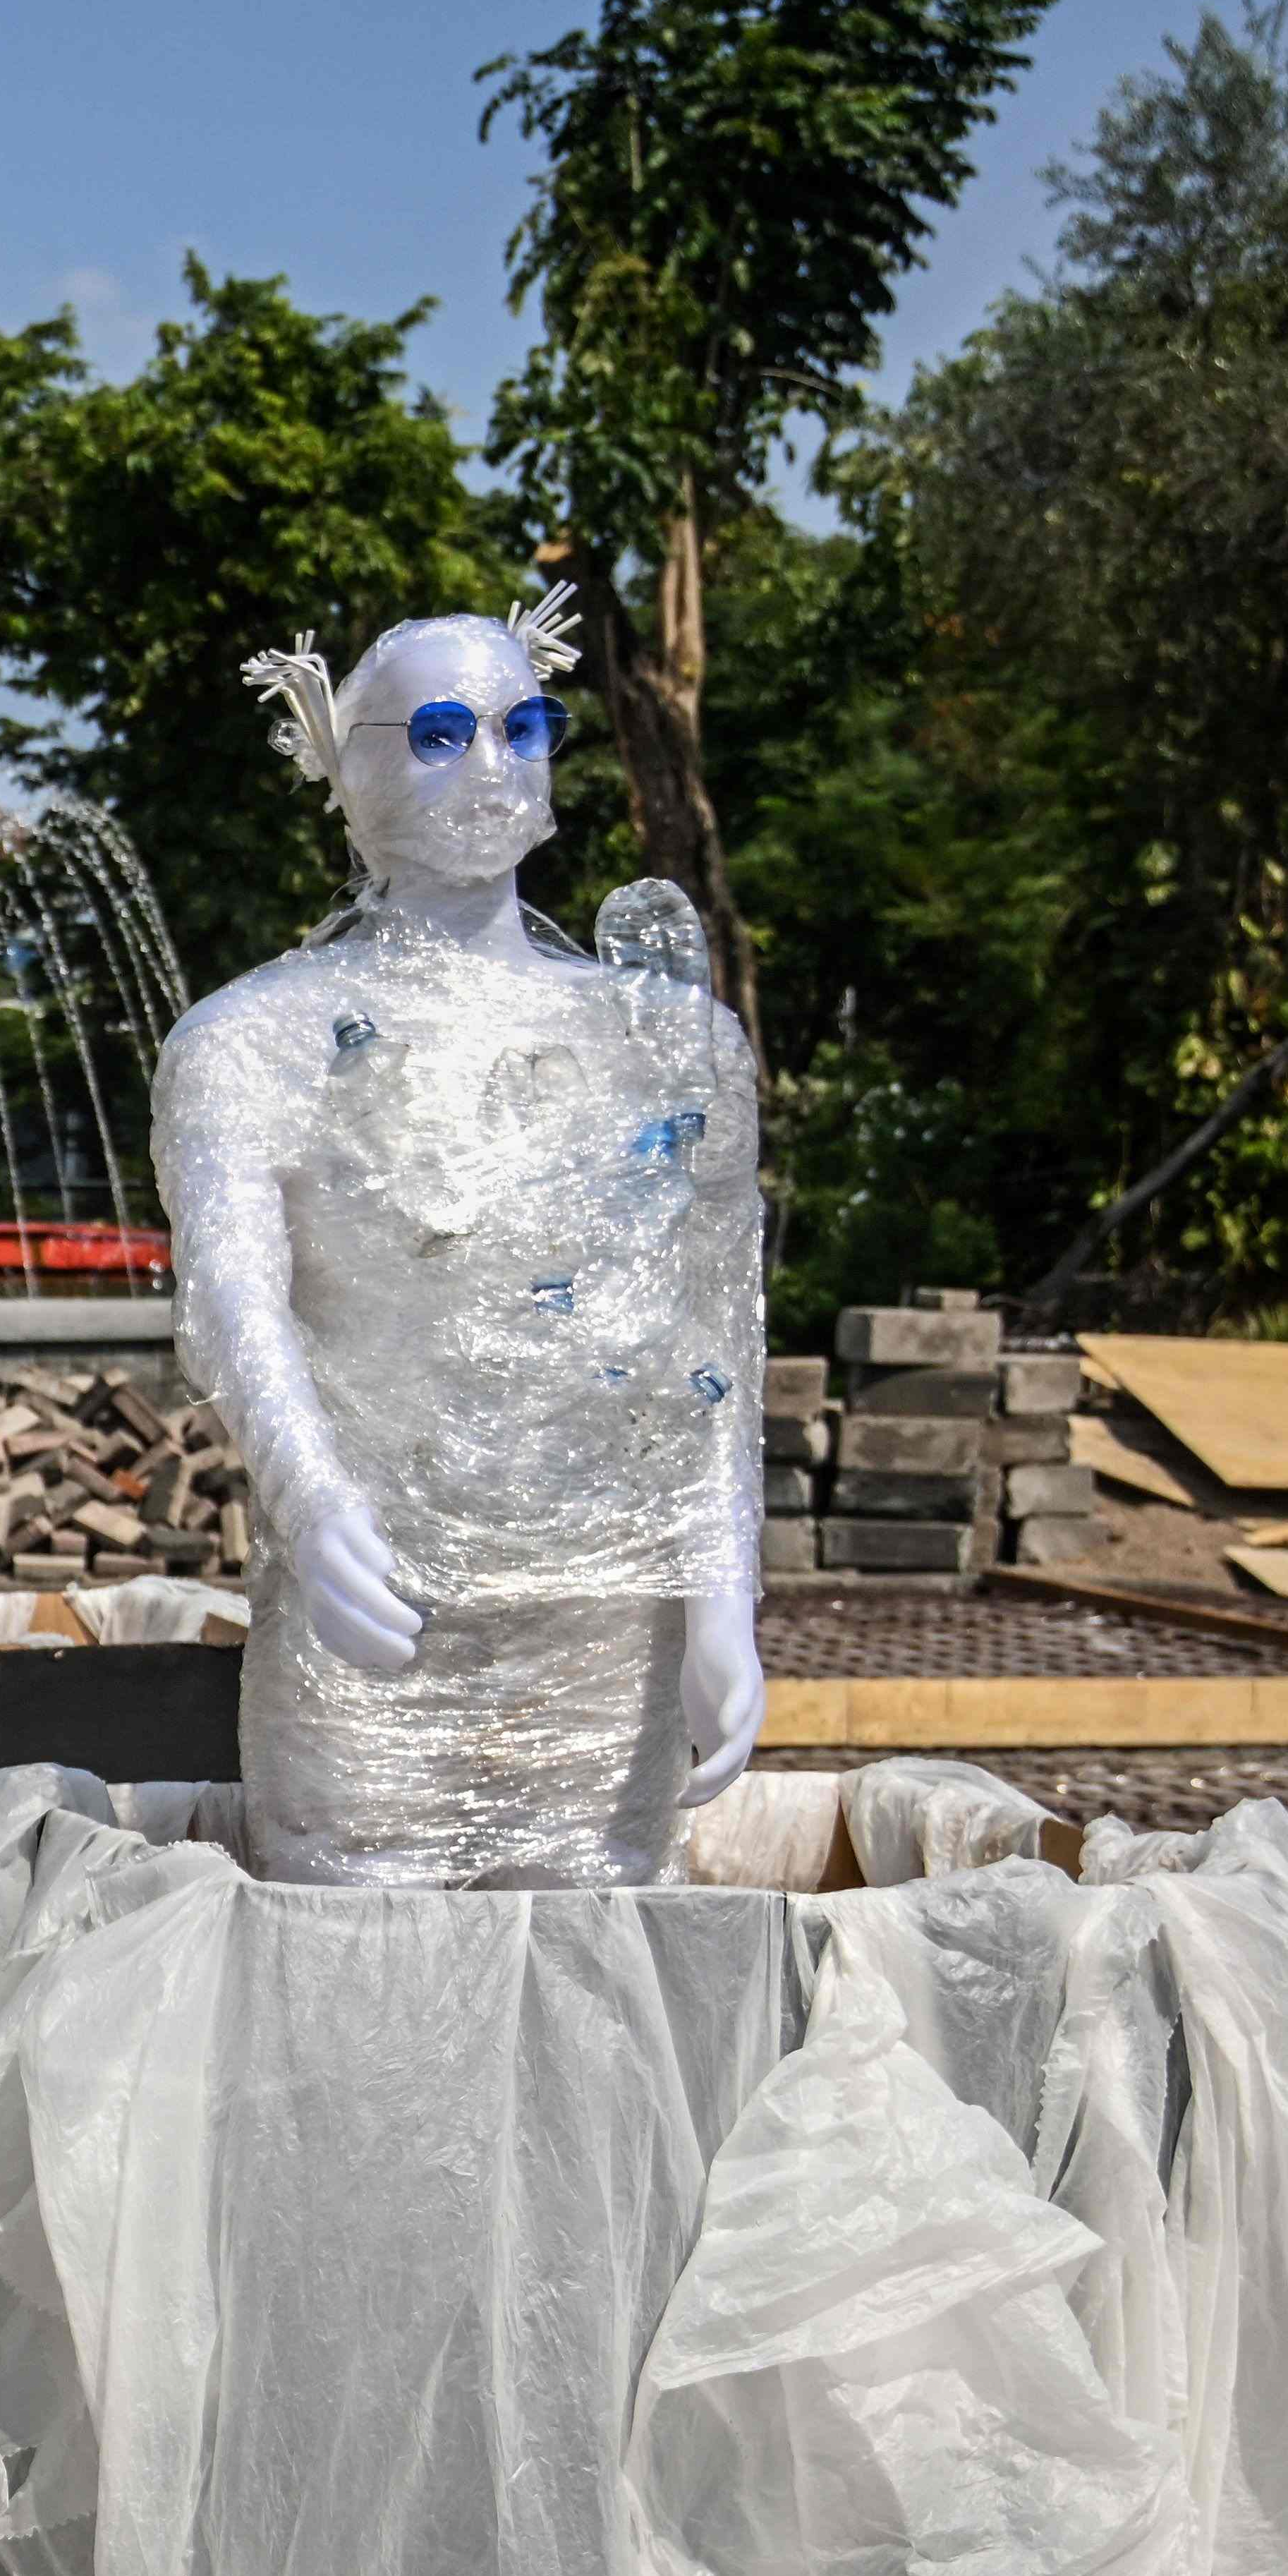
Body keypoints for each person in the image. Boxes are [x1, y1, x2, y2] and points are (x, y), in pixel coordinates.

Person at [152, 583, 767, 1885]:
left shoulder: (668, 1040)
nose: (490, 764)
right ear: (346, 759)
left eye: (521, 725)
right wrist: (312, 1507)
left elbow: (713, 1337)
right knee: (352, 2010)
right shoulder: (249, 1042)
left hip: (608, 1647)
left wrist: (723, 1589)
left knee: (591, 2012)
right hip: (377, 1630)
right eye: (438, 731)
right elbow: (232, 1308)